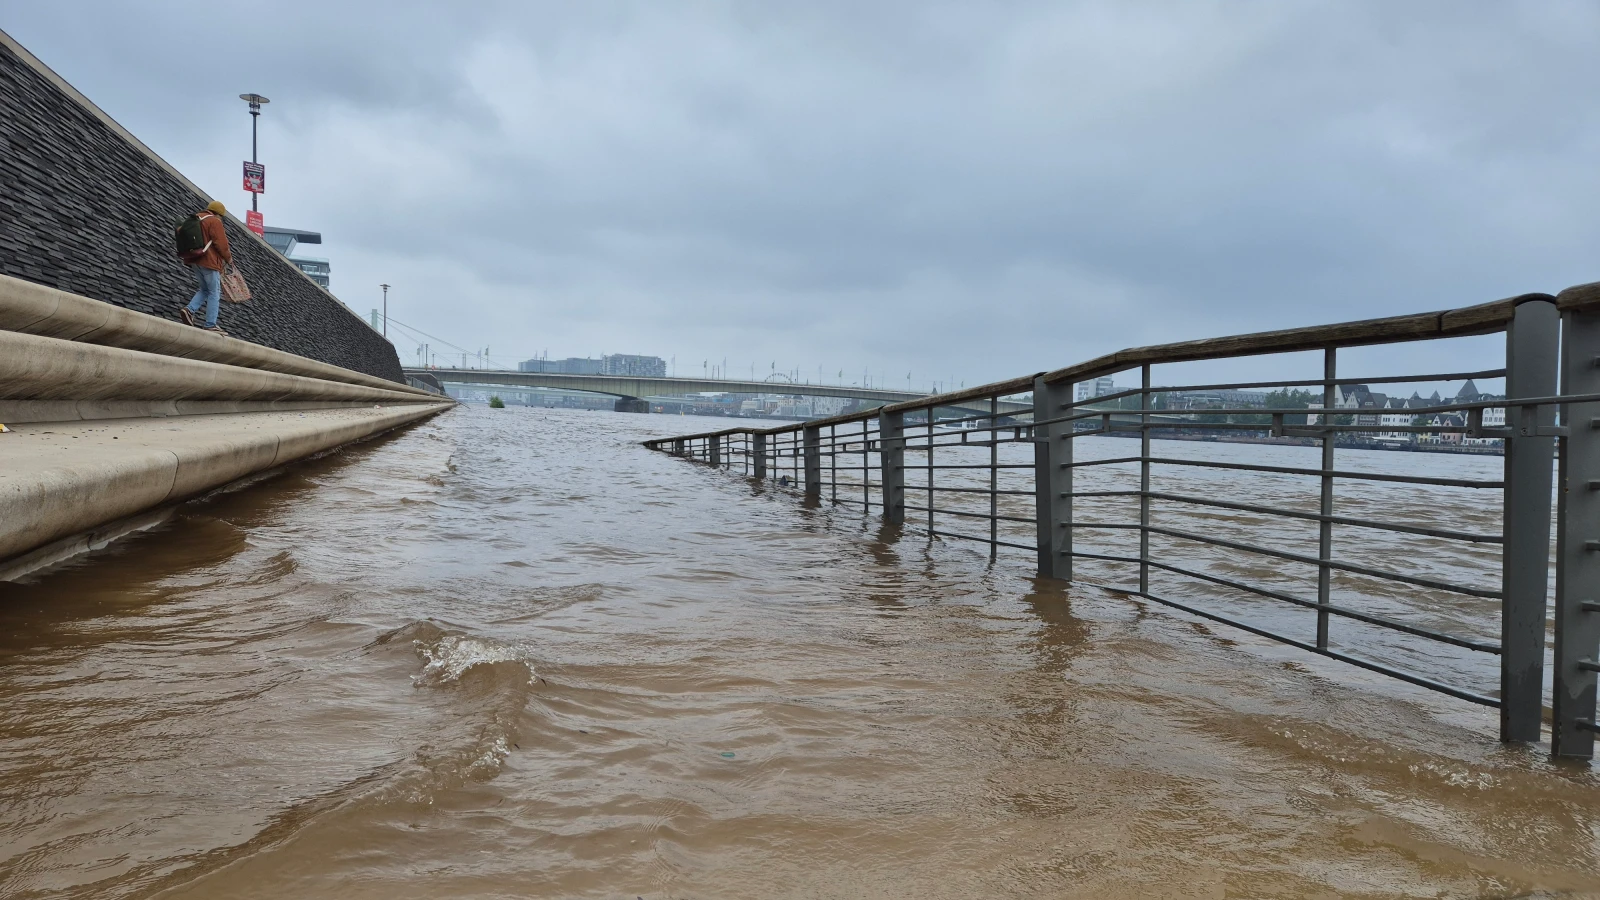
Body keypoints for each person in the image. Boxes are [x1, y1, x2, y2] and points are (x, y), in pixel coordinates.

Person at [179, 200, 232, 334]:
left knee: (204, 289)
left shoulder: (197, 218)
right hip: (209, 261)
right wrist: (228, 259)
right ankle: (210, 324)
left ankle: (189, 310)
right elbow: (221, 244)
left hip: (195, 259)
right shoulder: (214, 221)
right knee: (214, 292)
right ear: (219, 214)